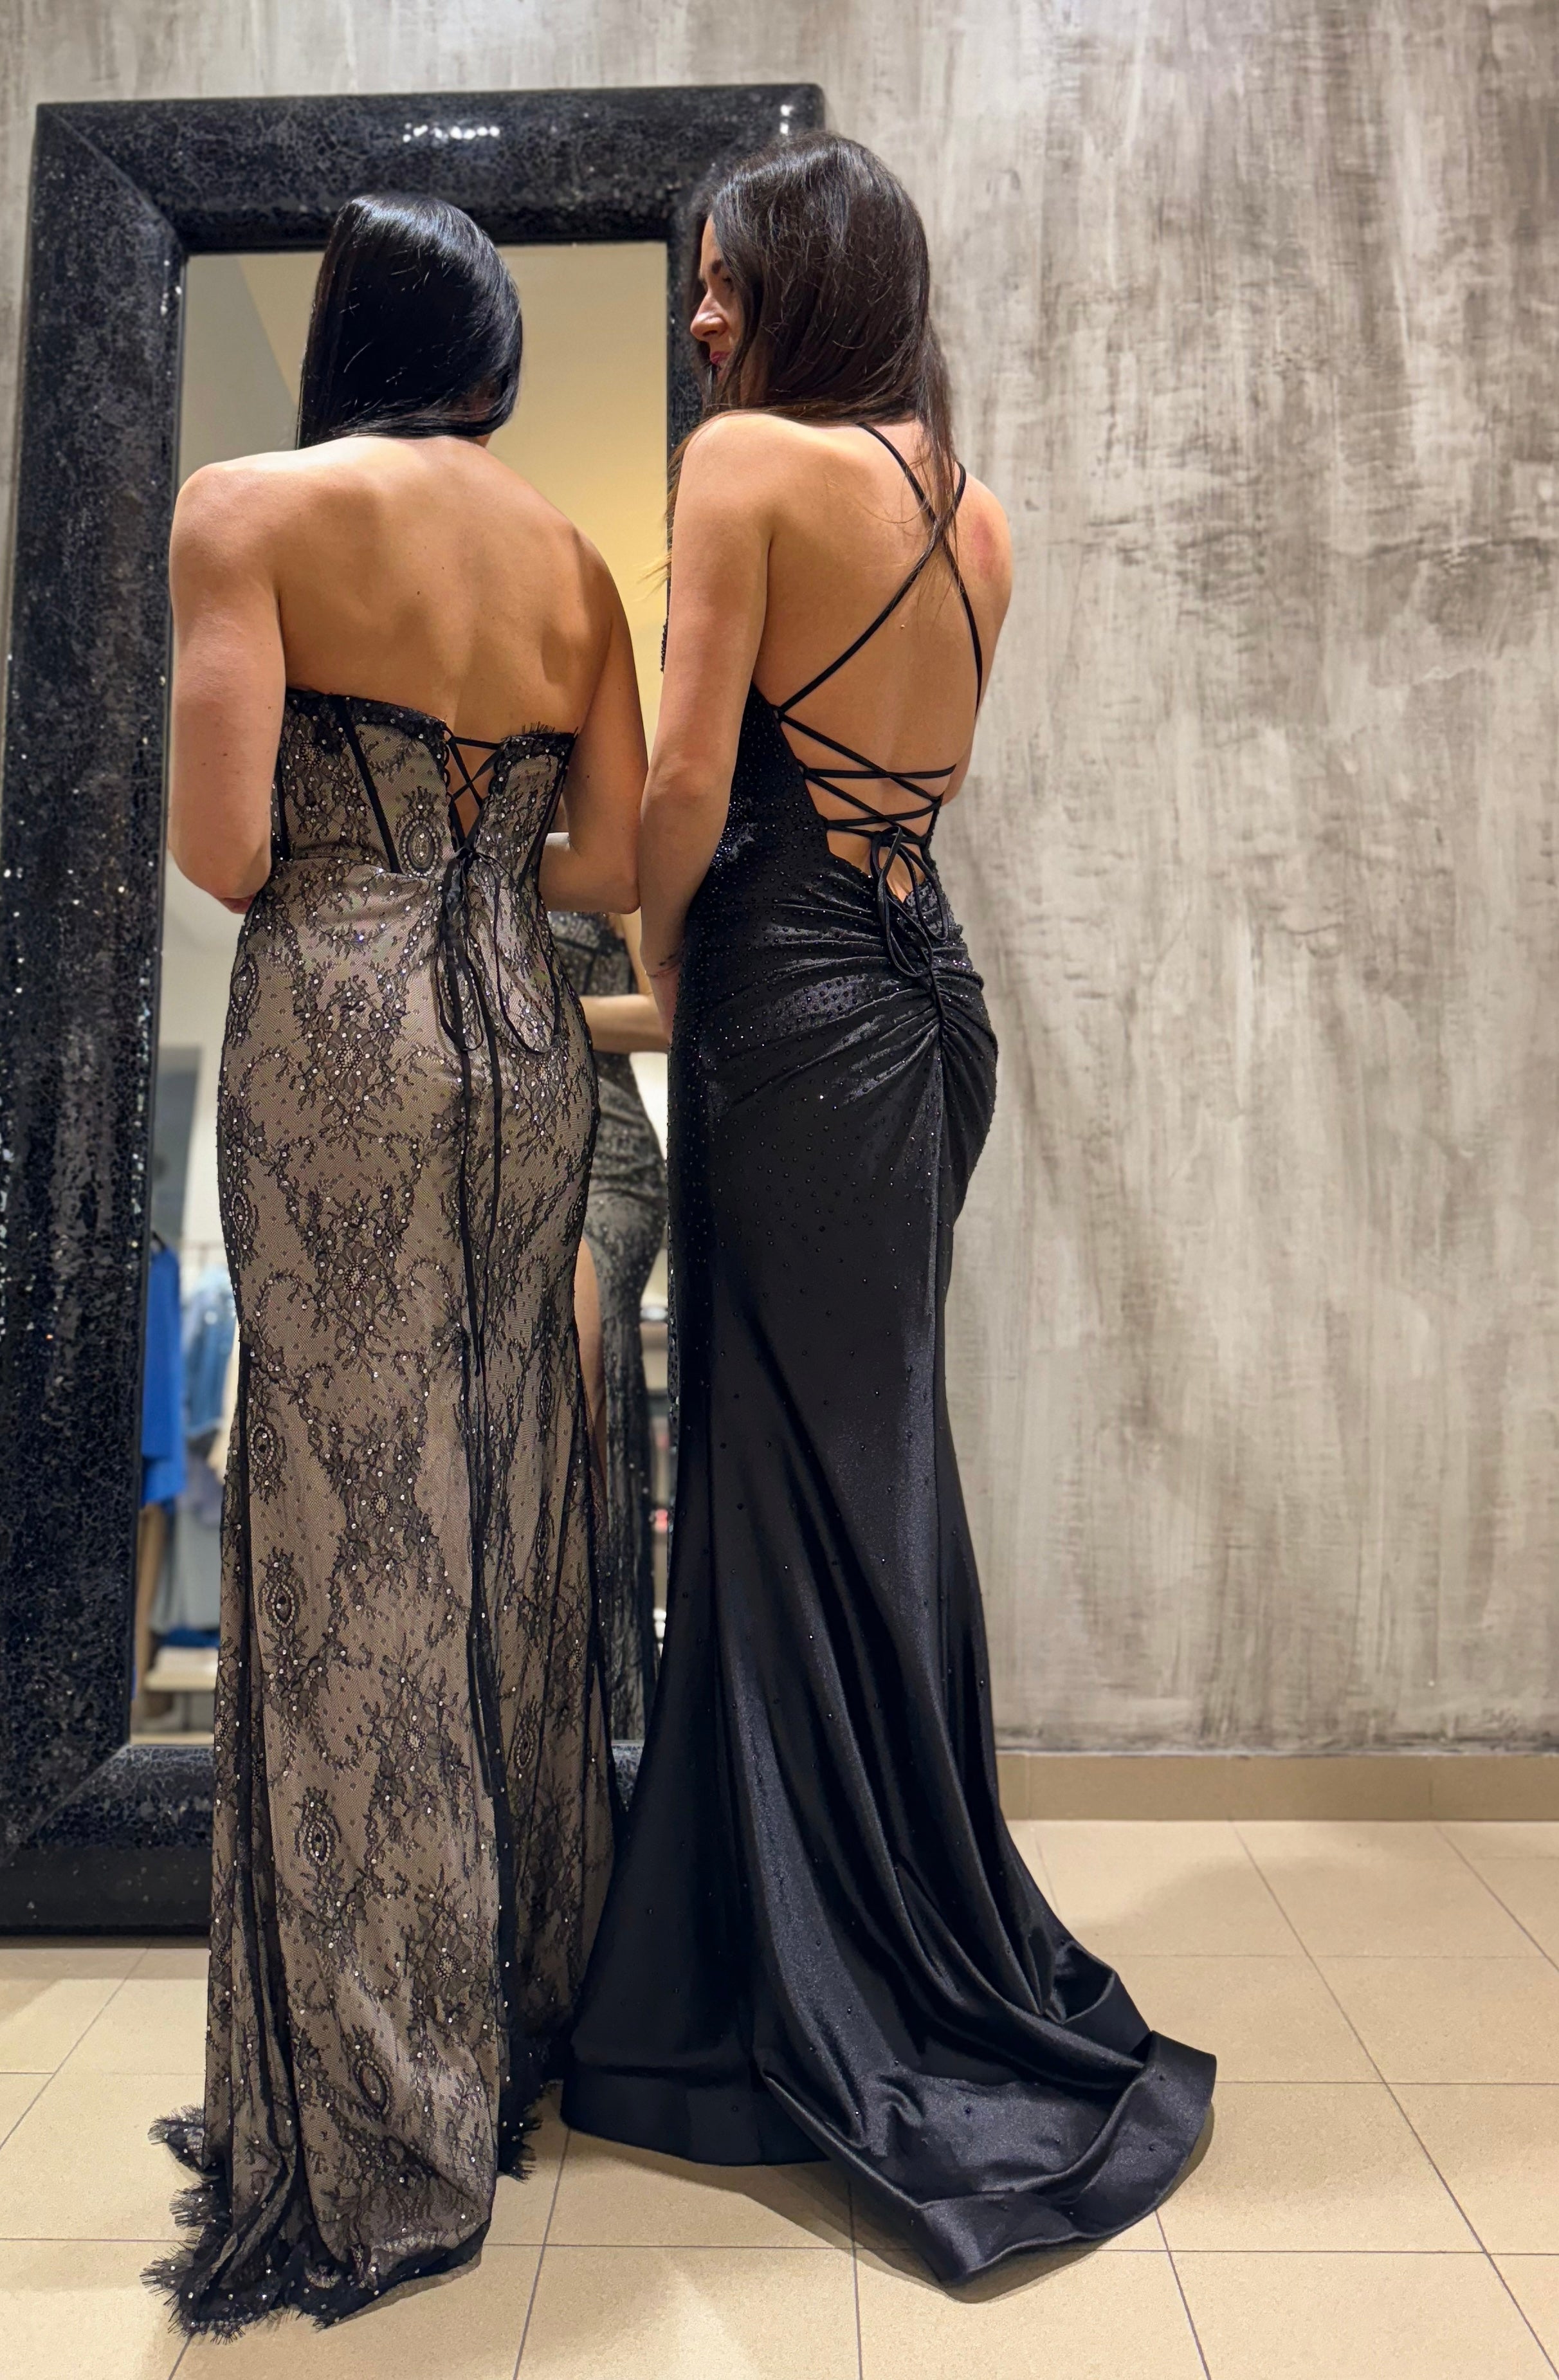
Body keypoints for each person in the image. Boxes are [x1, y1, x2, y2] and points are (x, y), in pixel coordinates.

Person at [563, 134, 1214, 2283]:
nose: (701, 314)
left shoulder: (747, 468)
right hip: (928, 1009)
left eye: (725, 278)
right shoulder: (976, 512)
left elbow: (685, 781)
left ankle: (812, 1987)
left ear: (808, 284)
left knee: (783, 1485)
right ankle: (830, 1933)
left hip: (794, 1011)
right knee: (863, 1478)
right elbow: (903, 791)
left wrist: (657, 966)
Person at [150, 193, 643, 2334]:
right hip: (524, 1048)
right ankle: (513, 2019)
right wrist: (487, 852)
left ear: (347, 332)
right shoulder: (573, 566)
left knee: (347, 1540)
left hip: (339, 1043)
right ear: (493, 349)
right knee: (506, 1510)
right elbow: (609, 852)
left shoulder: (246, 507)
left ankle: (379, 2110)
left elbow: (225, 843)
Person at [548, 906, 668, 1739]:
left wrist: (532, 1005)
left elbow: (669, 1013)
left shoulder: (606, 863)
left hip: (603, 1161)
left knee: (582, 1375)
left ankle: (609, 1718)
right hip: (486, 1155)